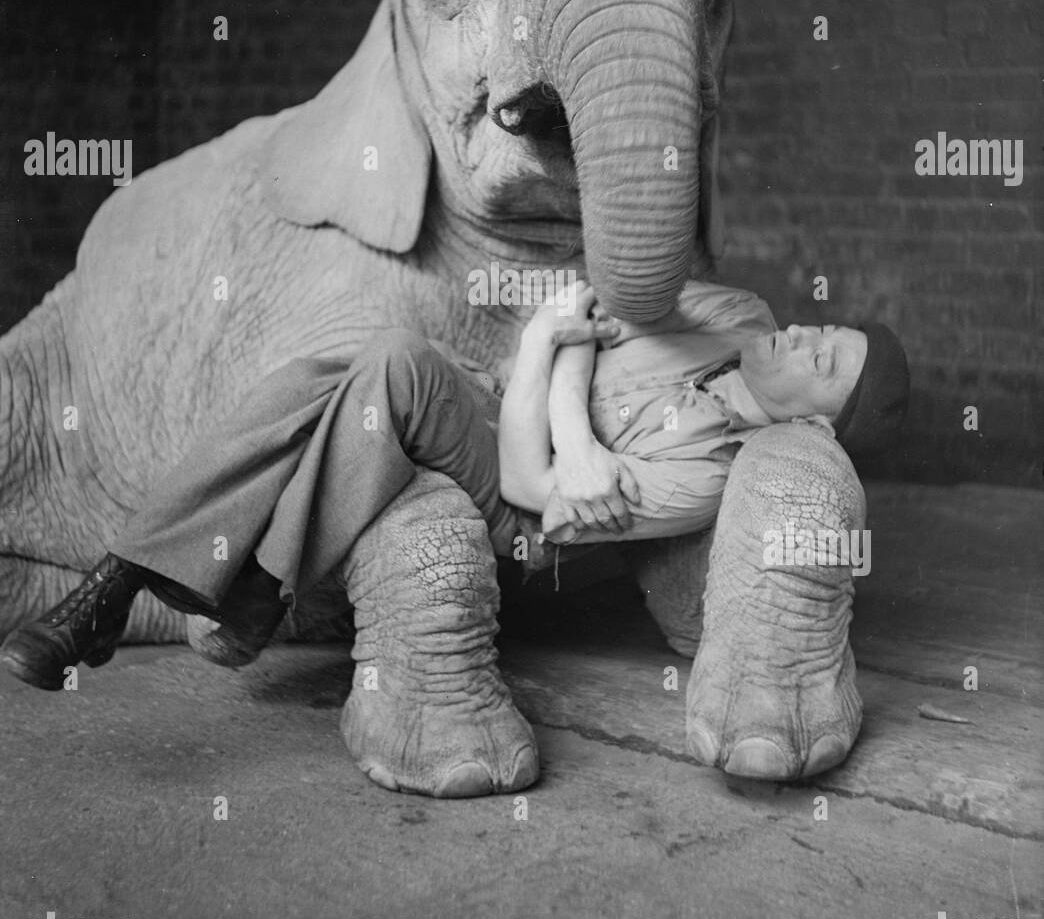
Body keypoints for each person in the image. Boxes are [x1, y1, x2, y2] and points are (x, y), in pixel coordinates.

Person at [0, 280, 909, 691]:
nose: (806, 334)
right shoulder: (738, 311)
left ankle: (126, 584)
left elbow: (526, 484)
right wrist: (563, 386)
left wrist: (557, 360)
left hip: (517, 526)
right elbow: (589, 305)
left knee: (389, 362)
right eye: (825, 327)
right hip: (494, 399)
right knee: (319, 380)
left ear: (816, 427)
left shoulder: (713, 473)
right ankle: (216, 590)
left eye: (826, 360)